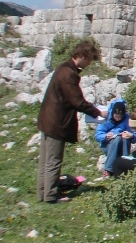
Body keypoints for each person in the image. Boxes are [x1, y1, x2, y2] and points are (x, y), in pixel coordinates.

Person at [37, 41, 107, 203]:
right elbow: (77, 101)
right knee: (54, 160)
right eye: (89, 59)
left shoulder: (63, 67)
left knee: (45, 159)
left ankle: (42, 192)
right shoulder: (69, 74)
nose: (89, 63)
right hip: (57, 121)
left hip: (47, 118)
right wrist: (98, 112)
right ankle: (51, 195)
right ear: (82, 56)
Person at [95, 98, 136, 178]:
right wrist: (105, 136)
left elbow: (134, 135)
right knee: (117, 138)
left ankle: (125, 164)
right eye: (116, 116)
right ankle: (108, 169)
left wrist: (131, 136)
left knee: (124, 137)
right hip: (108, 145)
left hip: (122, 146)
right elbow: (97, 135)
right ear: (113, 113)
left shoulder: (127, 119)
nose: (118, 118)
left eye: (120, 117)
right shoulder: (106, 118)